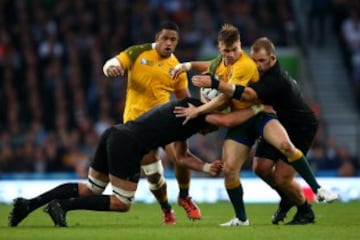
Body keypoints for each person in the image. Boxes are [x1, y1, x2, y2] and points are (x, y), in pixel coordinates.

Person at [175, 37, 338, 225]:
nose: (258, 65)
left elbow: (247, 94)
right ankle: (277, 202)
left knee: (282, 177)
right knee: (260, 168)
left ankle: (307, 205)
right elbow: (215, 66)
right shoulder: (248, 65)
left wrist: (214, 87)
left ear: (273, 59)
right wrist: (187, 66)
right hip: (271, 118)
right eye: (256, 60)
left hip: (299, 125)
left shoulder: (275, 80)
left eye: (262, 61)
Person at [8, 97, 223, 228]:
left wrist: (206, 167)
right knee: (123, 203)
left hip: (113, 132)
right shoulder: (190, 119)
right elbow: (182, 156)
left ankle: (29, 204)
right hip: (128, 144)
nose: (206, 134)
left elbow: (181, 157)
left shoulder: (183, 107)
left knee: (92, 188)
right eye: (210, 128)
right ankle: (62, 206)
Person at [102, 20, 199, 224]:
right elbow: (113, 63)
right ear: (157, 38)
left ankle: (184, 196)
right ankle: (166, 208)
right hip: (137, 127)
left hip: (164, 121)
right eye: (165, 38)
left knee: (181, 157)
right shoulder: (138, 52)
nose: (169, 43)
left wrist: (193, 115)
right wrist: (110, 68)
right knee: (154, 176)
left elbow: (184, 98)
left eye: (173, 40)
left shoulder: (176, 66)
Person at [176, 23, 265, 227]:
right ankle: (242, 219)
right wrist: (186, 66)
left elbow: (225, 99)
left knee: (273, 166)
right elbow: (208, 66)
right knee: (230, 169)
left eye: (234, 49)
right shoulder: (222, 61)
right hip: (241, 120)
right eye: (226, 50)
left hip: (260, 115)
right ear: (219, 47)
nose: (231, 54)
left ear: (240, 44)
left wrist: (198, 111)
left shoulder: (244, 65)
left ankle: (304, 201)